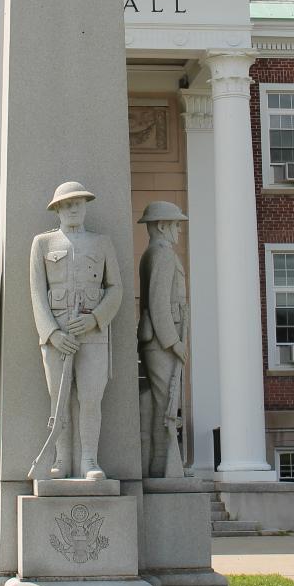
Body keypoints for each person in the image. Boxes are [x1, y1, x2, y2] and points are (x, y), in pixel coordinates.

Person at [29, 181, 122, 480]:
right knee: (59, 401)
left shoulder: (102, 243)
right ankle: (61, 459)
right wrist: (52, 334)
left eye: (79, 203)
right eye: (67, 204)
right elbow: (37, 293)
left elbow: (115, 288)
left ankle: (89, 460)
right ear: (56, 209)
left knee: (91, 399)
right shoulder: (42, 244)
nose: (73, 208)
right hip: (57, 338)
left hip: (93, 335)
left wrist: (95, 319)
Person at [137, 200, 189, 477]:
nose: (178, 231)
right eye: (176, 225)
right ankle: (162, 467)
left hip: (159, 339)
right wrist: (174, 342)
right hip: (161, 341)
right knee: (165, 406)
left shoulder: (155, 253)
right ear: (162, 226)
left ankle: (163, 466)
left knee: (163, 406)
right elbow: (158, 304)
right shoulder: (162, 254)